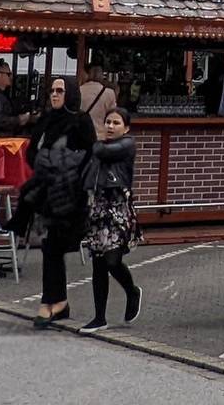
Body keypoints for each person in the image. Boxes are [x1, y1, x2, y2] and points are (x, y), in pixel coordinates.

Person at [17, 77, 94, 329]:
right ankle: (55, 302)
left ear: (70, 93)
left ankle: (52, 302)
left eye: (60, 91)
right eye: (51, 90)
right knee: (50, 246)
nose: (54, 95)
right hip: (46, 190)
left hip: (69, 194)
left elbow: (89, 154)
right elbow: (31, 151)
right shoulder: (45, 120)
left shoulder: (80, 121)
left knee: (54, 246)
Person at [81, 107, 140, 330]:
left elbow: (102, 151)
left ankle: (131, 290)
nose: (110, 127)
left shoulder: (126, 145)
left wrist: (93, 144)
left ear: (126, 128)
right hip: (98, 208)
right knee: (98, 263)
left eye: (116, 123)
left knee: (112, 260)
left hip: (117, 209)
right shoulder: (100, 148)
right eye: (107, 122)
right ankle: (99, 317)